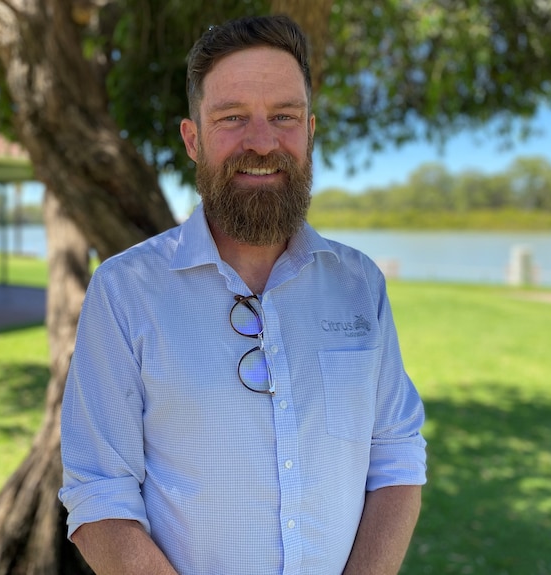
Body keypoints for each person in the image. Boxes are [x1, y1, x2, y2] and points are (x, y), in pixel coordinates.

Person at [59, 14, 427, 575]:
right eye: (232, 118)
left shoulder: (360, 285)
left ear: (310, 131)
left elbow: (396, 456)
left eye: (284, 116)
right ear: (193, 139)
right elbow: (98, 492)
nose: (262, 142)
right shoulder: (124, 291)